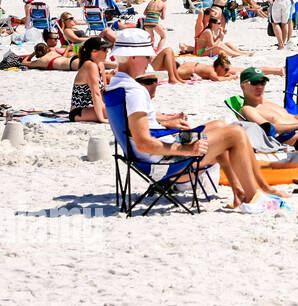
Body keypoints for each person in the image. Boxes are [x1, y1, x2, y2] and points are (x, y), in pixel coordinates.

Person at [105, 30, 287, 211]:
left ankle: (239, 191)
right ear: (133, 57)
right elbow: (144, 143)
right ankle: (252, 195)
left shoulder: (116, 85)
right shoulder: (135, 91)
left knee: (220, 126)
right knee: (235, 133)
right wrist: (186, 149)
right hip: (163, 163)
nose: (149, 61)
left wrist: (171, 127)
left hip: (151, 155)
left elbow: (140, 134)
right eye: (146, 56)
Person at [69, 36, 112, 122]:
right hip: (79, 110)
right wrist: (101, 119)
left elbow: (104, 90)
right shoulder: (90, 65)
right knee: (119, 112)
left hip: (93, 107)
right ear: (94, 51)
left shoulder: (100, 65)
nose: (107, 51)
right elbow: (95, 93)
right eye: (104, 49)